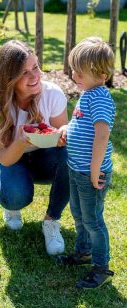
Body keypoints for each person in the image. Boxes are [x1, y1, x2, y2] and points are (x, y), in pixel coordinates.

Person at [0, 40, 70, 255]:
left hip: (44, 158)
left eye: (36, 67)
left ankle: (51, 222)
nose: (35, 76)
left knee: (72, 153)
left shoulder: (53, 94)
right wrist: (20, 141)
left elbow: (63, 134)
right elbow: (4, 157)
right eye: (24, 73)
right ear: (9, 78)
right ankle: (11, 207)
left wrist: (64, 133)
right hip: (10, 159)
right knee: (16, 197)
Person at [57, 37, 116, 289]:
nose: (74, 74)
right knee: (79, 215)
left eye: (80, 71)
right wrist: (65, 129)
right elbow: (80, 124)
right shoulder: (87, 93)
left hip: (92, 173)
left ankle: (101, 267)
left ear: (102, 75)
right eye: (73, 69)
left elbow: (102, 135)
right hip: (76, 169)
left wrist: (94, 171)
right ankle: (84, 252)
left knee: (93, 220)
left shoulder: (100, 97)